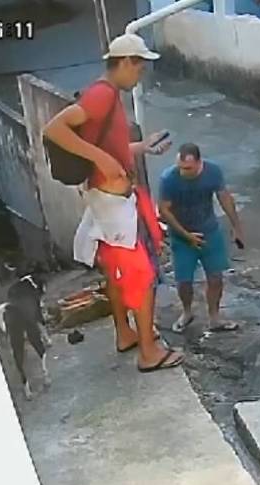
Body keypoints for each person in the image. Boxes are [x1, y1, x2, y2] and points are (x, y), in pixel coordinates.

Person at [44, 33, 184, 373]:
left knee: (115, 272)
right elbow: (53, 128)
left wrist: (141, 147)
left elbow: (112, 145)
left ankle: (125, 333)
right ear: (123, 62)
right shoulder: (102, 95)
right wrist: (100, 160)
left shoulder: (108, 97)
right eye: (138, 67)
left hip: (107, 201)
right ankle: (149, 352)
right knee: (143, 276)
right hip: (113, 204)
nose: (140, 75)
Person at [159, 143, 245, 333]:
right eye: (180, 167)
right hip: (182, 236)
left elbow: (225, 198)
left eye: (187, 168)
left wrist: (236, 227)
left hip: (209, 231)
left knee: (215, 277)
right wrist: (186, 235)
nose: (183, 171)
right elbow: (164, 209)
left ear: (199, 163)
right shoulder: (169, 178)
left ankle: (215, 317)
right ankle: (187, 312)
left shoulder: (213, 171)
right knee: (184, 281)